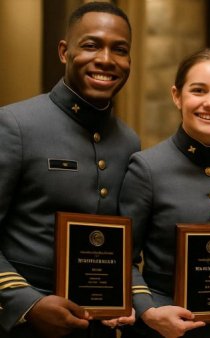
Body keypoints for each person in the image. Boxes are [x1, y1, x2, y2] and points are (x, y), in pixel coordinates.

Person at [0, 2, 139, 338]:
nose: (106, 59)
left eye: (119, 50)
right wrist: (27, 303)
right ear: (64, 52)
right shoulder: (15, 125)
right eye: (91, 45)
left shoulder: (128, 142)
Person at [118, 48, 210, 338]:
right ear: (176, 95)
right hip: (163, 328)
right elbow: (123, 257)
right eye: (198, 90)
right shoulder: (147, 168)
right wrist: (148, 311)